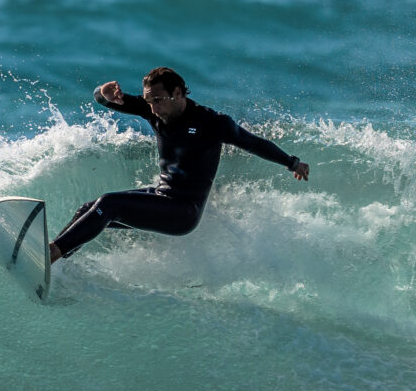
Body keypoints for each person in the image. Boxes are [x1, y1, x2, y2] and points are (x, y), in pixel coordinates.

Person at [49, 67, 310, 263]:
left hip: (183, 211)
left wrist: (292, 162)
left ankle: (52, 252)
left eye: (158, 100)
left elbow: (254, 143)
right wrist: (102, 94)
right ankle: (58, 262)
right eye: (148, 101)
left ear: (177, 93)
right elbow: (108, 100)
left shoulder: (212, 122)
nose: (152, 108)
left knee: (108, 204)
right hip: (163, 196)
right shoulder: (155, 110)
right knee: (88, 209)